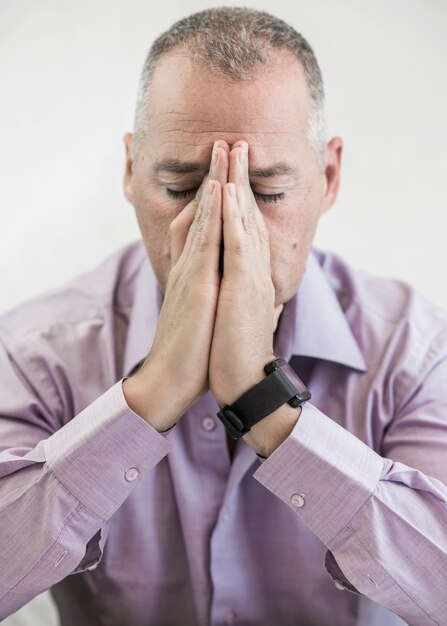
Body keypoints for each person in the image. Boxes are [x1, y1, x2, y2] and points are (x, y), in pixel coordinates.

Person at [0, 6, 446, 626]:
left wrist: (263, 400)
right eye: (183, 188)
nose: (224, 226)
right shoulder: (34, 351)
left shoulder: (415, 353)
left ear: (329, 175)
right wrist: (150, 395)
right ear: (131, 170)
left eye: (266, 192)